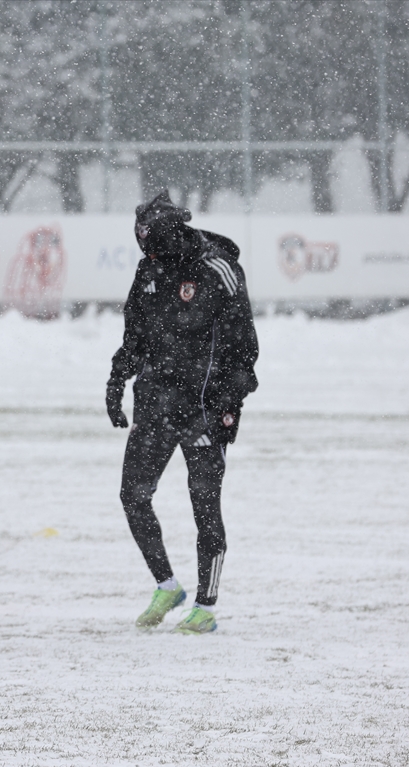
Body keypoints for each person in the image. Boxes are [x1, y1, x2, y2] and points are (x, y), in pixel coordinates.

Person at [106, 190, 259, 634]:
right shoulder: (148, 268)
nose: (150, 254)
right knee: (132, 495)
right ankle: (166, 584)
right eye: (144, 247)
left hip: (205, 410)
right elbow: (134, 334)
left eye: (154, 245)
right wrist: (117, 381)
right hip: (155, 404)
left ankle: (206, 606)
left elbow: (244, 348)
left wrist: (229, 406)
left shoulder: (219, 270)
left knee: (204, 505)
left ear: (173, 235)